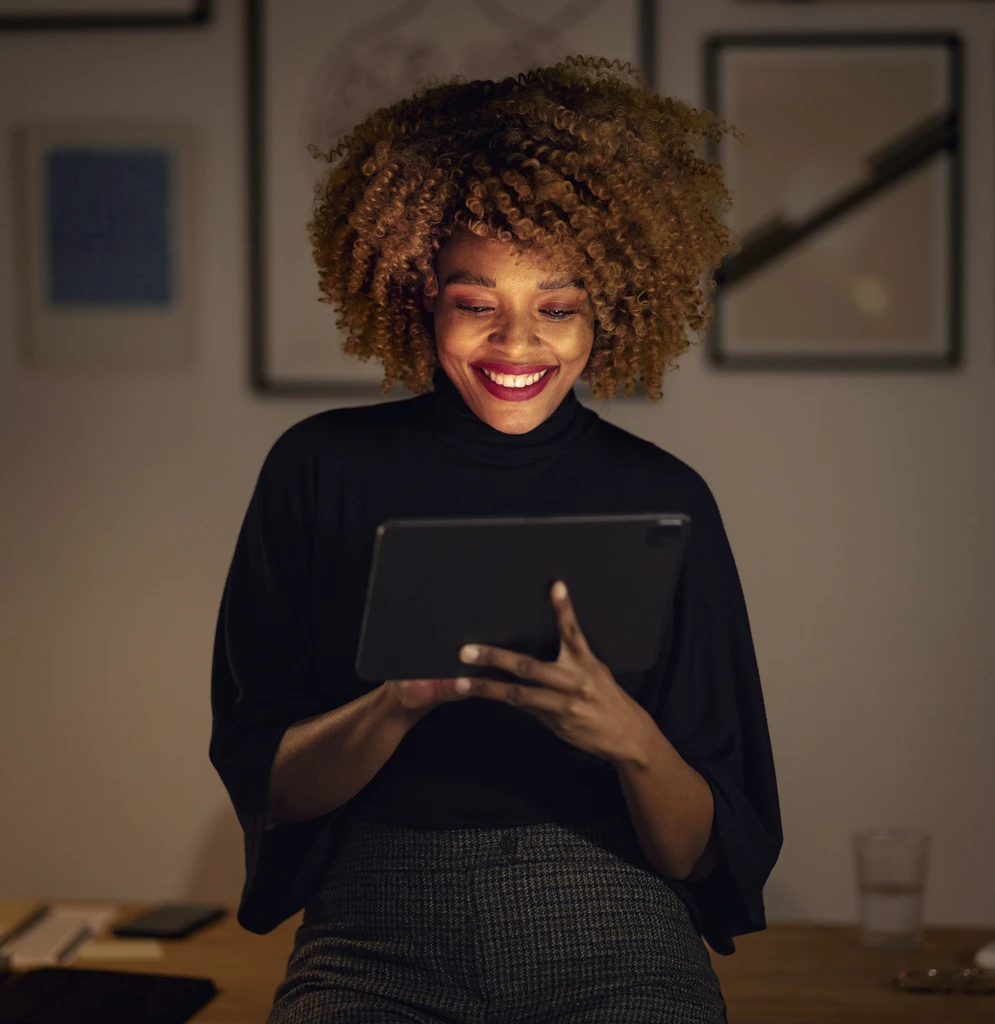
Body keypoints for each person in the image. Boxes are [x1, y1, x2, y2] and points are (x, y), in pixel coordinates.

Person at [209, 54, 783, 1023]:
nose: (517, 346)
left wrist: (628, 737)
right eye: (476, 304)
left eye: (556, 307)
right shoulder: (317, 470)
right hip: (375, 931)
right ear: (414, 293)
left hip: (612, 918)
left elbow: (698, 851)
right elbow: (275, 788)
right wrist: (396, 701)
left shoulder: (664, 496)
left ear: (610, 305)